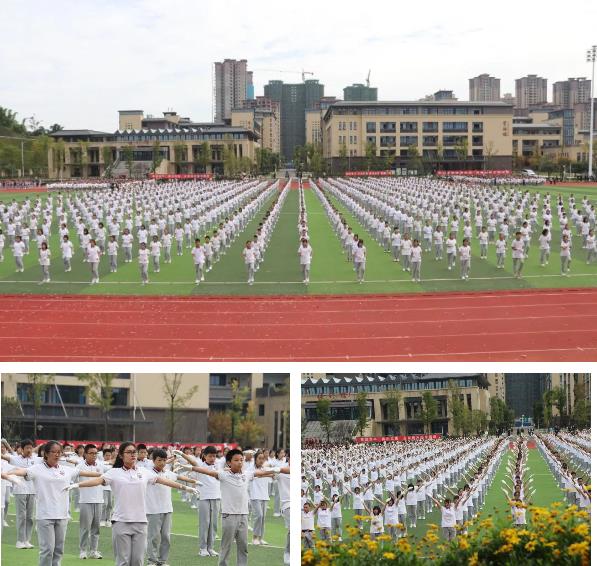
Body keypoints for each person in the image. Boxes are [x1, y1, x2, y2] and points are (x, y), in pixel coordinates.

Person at [73, 441, 199, 566]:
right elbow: (98, 480)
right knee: (123, 561)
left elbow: (164, 481)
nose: (133, 454)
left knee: (137, 561)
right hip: (121, 521)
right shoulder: (114, 472)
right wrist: (78, 485)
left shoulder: (144, 472)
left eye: (134, 452)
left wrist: (185, 488)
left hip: (140, 522)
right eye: (129, 452)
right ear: (121, 455)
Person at [173, 447, 288, 566]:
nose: (240, 462)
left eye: (241, 460)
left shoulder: (247, 474)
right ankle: (210, 553)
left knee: (243, 547)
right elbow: (206, 471)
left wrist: (279, 470)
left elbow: (262, 472)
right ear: (229, 462)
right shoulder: (223, 475)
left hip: (243, 516)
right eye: (236, 460)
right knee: (226, 546)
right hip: (229, 516)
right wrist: (188, 467)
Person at [7, 441, 102, 564]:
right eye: (54, 452)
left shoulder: (66, 470)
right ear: (46, 454)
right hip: (45, 516)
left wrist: (103, 475)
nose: (57, 455)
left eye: (59, 452)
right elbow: (23, 471)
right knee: (47, 550)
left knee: (58, 550)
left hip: (62, 516)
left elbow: (83, 473)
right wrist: (7, 474)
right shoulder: (37, 469)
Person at [77, 444, 108, 559]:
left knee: (96, 528)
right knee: (85, 527)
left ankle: (94, 551)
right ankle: (83, 550)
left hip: (99, 500)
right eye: (91, 453)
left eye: (96, 453)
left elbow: (105, 479)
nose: (94, 455)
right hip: (85, 500)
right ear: (85, 454)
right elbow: (74, 480)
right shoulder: (79, 466)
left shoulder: (101, 465)